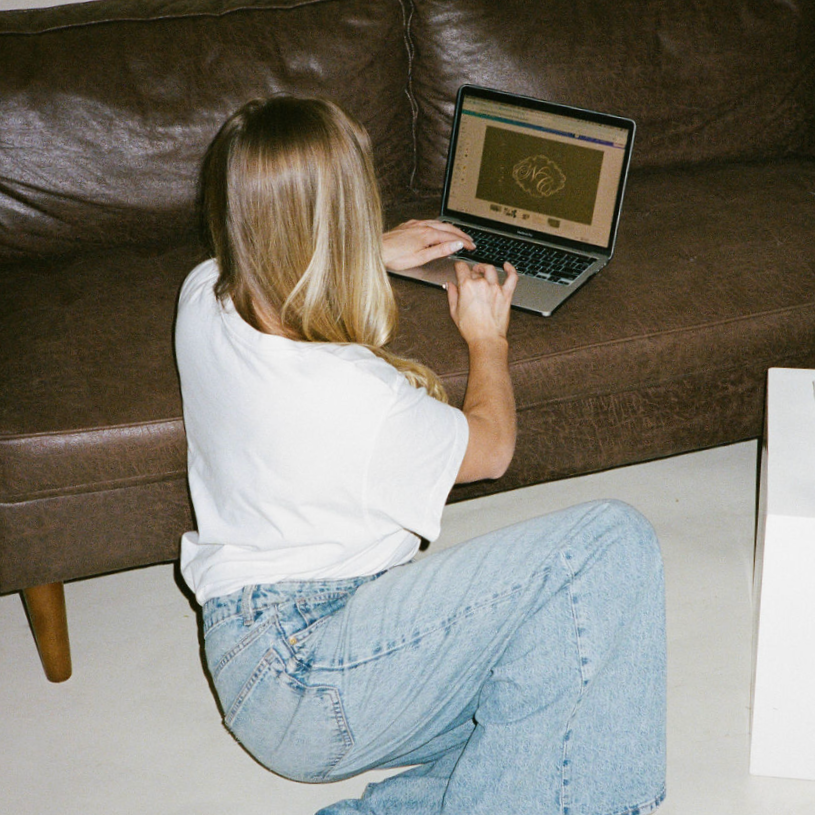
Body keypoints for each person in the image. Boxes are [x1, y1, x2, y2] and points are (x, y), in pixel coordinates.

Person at [175, 95, 667, 815]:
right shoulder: (352, 394)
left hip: (248, 653)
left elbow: (272, 259)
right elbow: (491, 449)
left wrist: (371, 249)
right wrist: (486, 337)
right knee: (607, 547)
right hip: (313, 680)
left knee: (565, 682)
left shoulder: (202, 294)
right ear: (347, 208)